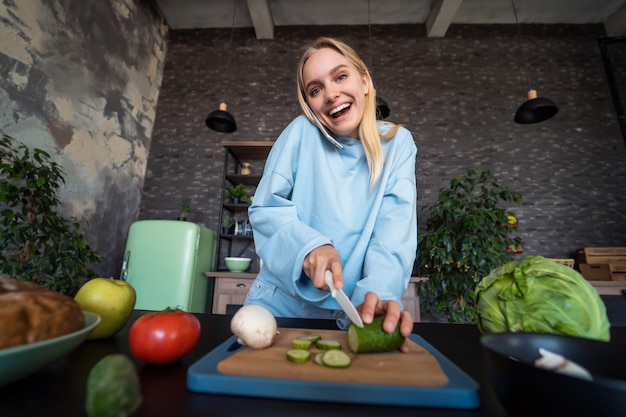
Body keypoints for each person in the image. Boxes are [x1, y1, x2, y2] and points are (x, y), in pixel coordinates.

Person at [245, 37, 417, 352]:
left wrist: (378, 291)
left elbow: (394, 229)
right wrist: (309, 246)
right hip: (280, 308)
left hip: (354, 313)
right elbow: (265, 210)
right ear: (309, 102)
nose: (331, 94)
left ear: (364, 81)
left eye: (340, 77)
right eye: (315, 89)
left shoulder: (398, 144)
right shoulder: (300, 132)